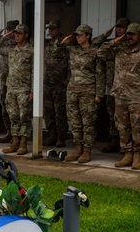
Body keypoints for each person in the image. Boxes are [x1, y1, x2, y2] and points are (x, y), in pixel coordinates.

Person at [99, 23, 140, 169]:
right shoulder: (119, 50)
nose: (130, 37)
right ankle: (127, 153)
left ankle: (138, 155)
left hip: (138, 96)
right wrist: (116, 40)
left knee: (139, 127)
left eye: (133, 34)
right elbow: (100, 52)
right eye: (128, 34)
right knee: (122, 126)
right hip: (120, 95)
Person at [61, 24, 104, 163]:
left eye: (80, 35)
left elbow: (100, 74)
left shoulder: (95, 52)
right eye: (76, 35)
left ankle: (87, 151)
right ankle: (78, 148)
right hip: (73, 90)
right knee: (75, 122)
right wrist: (66, 39)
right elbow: (57, 50)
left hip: (88, 91)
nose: (78, 37)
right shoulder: (73, 50)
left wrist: (99, 94)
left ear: (88, 35)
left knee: (88, 123)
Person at [0, 23, 34, 155]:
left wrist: (32, 90)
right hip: (11, 88)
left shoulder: (31, 51)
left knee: (24, 116)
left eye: (19, 33)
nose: (16, 36)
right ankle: (15, 141)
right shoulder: (11, 49)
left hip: (24, 89)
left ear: (26, 35)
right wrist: (4, 37)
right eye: (15, 33)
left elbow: (34, 72)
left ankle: (23, 143)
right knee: (13, 116)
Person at [93, 18, 130, 153]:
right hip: (112, 87)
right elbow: (98, 50)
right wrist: (105, 36)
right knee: (112, 115)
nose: (119, 30)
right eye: (117, 27)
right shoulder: (111, 44)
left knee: (126, 117)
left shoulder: (129, 45)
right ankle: (114, 140)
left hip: (127, 88)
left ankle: (125, 143)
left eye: (122, 27)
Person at [0, 19, 20, 143]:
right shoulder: (5, 41)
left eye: (12, 30)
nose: (10, 32)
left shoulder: (18, 42)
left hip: (17, 78)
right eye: (9, 30)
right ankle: (9, 131)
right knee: (5, 105)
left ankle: (17, 134)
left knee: (17, 109)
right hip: (5, 77)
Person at [43, 20, 69, 148]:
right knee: (48, 111)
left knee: (60, 111)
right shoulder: (46, 44)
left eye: (53, 28)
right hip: (47, 83)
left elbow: (69, 63)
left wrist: (67, 81)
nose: (50, 31)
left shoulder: (65, 43)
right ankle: (51, 135)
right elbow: (33, 41)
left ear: (59, 29)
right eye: (49, 29)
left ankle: (61, 137)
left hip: (60, 83)